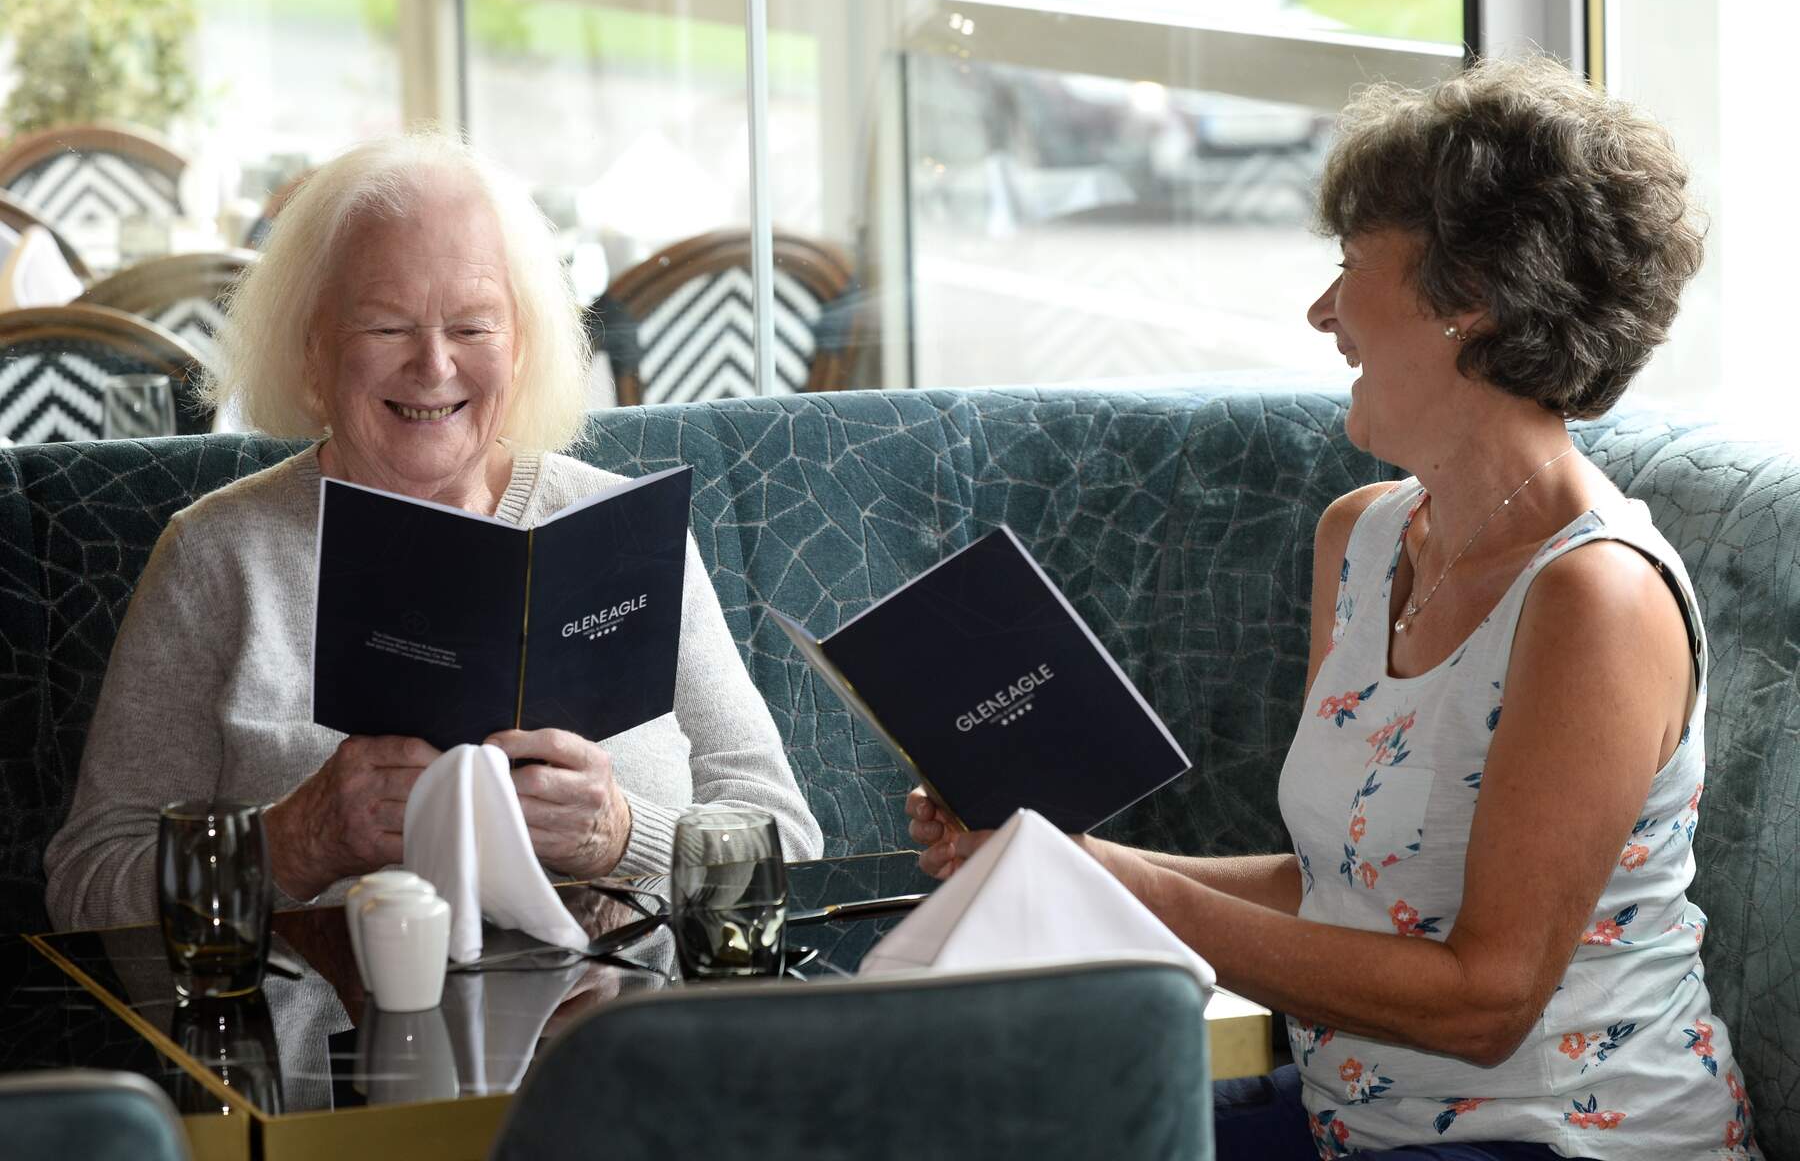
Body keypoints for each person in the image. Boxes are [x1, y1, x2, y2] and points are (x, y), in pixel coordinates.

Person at [908, 57, 1758, 1159]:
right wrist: (1051, 856)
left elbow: (1486, 1002)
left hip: (1563, 1142)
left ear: (1471, 300)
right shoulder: (1361, 538)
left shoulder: (1595, 599)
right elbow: (1340, 887)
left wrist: (1126, 887)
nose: (1323, 309)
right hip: (1348, 1125)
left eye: (1353, 262)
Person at [45, 133, 822, 930]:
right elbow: (88, 885)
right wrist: (293, 843)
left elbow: (792, 846)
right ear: (312, 350)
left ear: (521, 347)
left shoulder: (624, 536)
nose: (434, 366)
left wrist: (621, 834)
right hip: (330, 1045)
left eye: (474, 327)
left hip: (606, 1038)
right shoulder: (218, 555)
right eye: (386, 327)